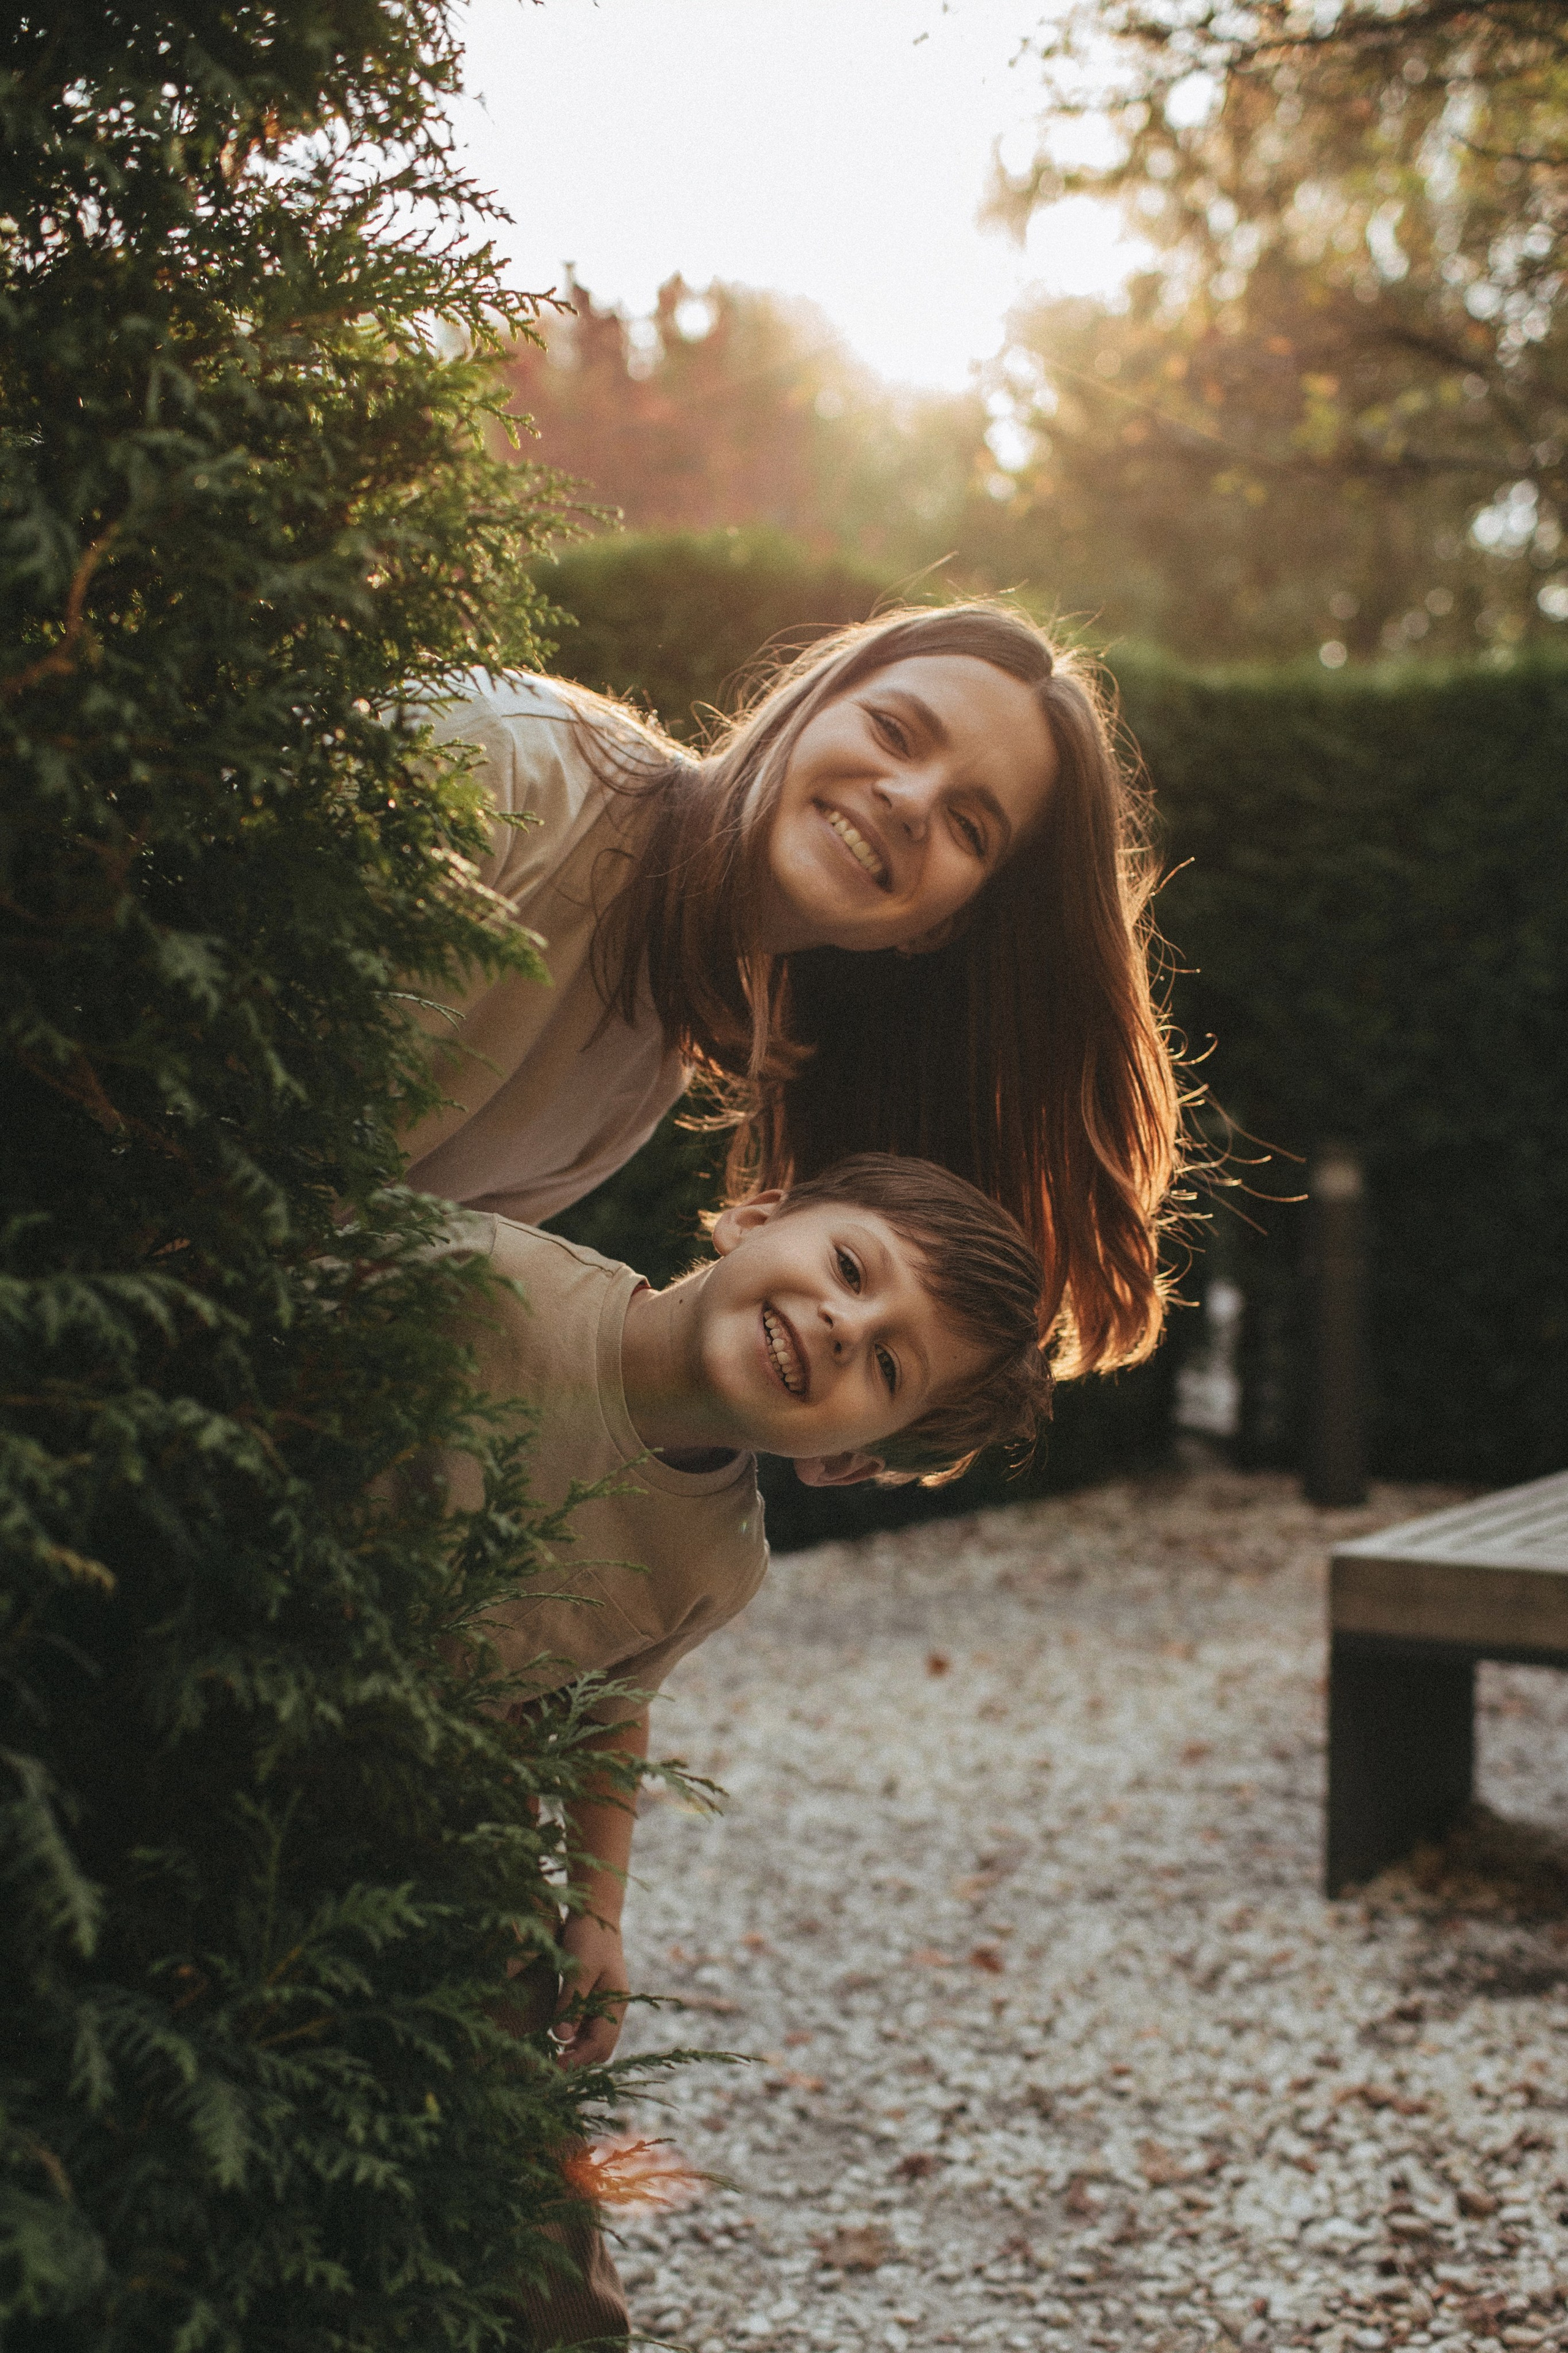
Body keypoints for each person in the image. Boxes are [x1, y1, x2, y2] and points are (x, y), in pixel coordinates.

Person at [433, 1154, 1052, 2348]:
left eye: (884, 1364)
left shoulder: (716, 1562)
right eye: (849, 1267)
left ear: (848, 1461)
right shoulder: (489, 1279)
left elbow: (610, 1704)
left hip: (459, 1815)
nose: (840, 1323)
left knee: (529, 2234)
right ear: (754, 1216)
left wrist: (593, 1913)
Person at [401, 602, 1182, 1380]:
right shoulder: (512, 765)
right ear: (807, 708)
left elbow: (373, 1280)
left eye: (969, 827)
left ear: (939, 928)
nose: (910, 802)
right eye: (894, 732)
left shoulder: (640, 1078)